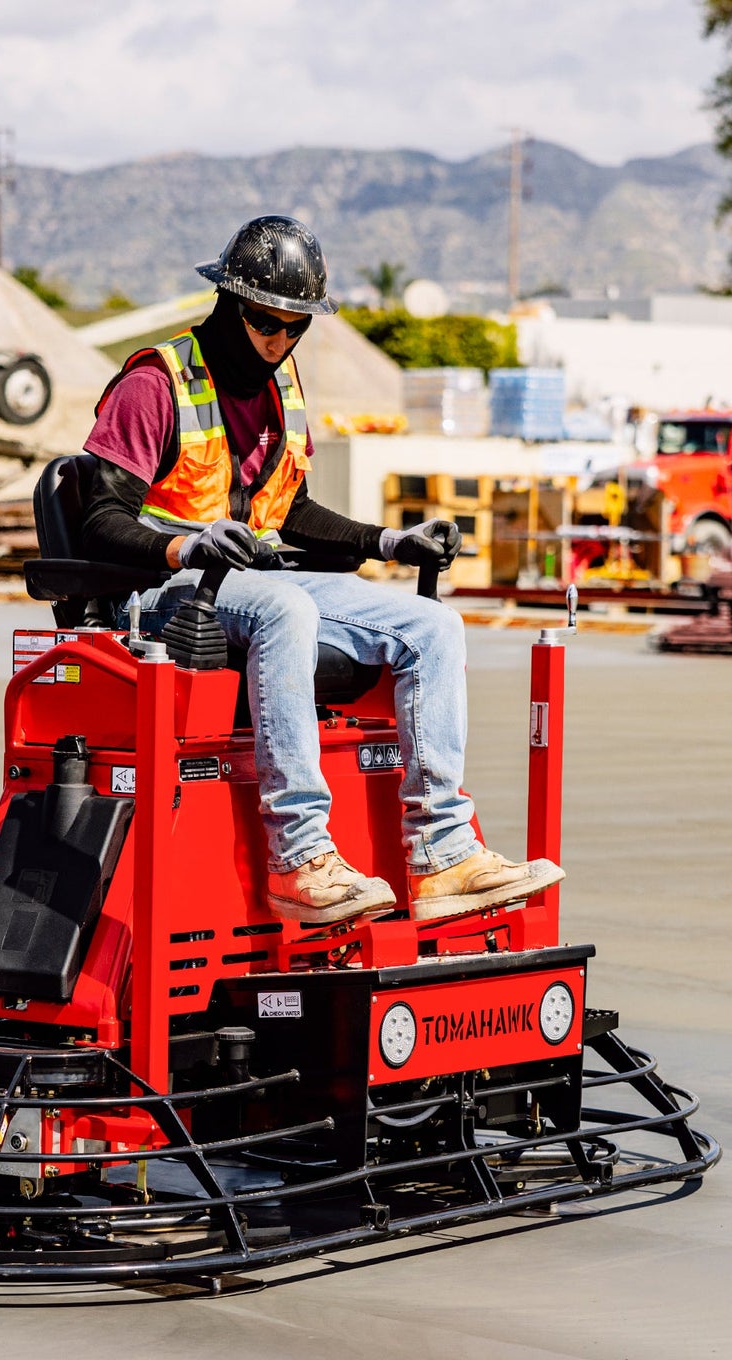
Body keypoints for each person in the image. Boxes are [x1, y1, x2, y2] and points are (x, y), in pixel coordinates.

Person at [81, 215, 564, 926]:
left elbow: (294, 511)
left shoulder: (282, 387)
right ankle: (300, 856)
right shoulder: (157, 383)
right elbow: (98, 519)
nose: (278, 342)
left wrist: (390, 541)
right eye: (264, 323)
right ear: (228, 302)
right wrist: (190, 546)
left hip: (254, 579)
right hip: (160, 589)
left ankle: (442, 853)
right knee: (287, 610)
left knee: (431, 625)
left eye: (295, 327)